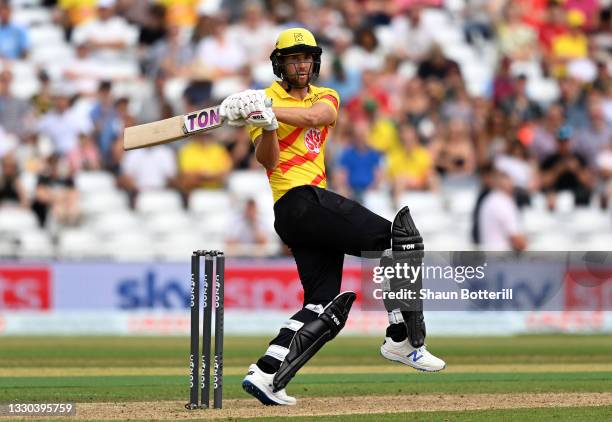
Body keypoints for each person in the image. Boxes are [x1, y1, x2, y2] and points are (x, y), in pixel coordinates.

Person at [219, 27, 445, 407]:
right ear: (281, 63)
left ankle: (266, 373)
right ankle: (401, 339)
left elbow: (317, 116)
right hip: (297, 202)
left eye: (306, 58)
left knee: (320, 303)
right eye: (293, 58)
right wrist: (266, 123)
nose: (301, 65)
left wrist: (269, 111)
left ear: (315, 61)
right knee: (401, 240)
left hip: (304, 213)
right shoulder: (264, 101)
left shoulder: (321, 96)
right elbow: (268, 161)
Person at [478, 167, 527, 252]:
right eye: (510, 180)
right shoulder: (503, 202)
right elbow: (517, 241)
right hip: (502, 256)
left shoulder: (490, 199)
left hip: (490, 254)